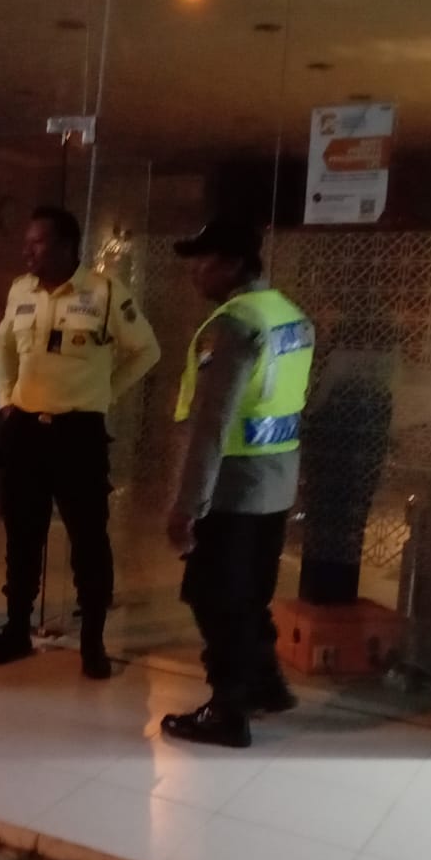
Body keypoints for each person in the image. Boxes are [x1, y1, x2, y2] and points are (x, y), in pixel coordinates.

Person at [0, 205, 161, 678]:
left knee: (88, 539)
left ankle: (92, 642)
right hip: (24, 430)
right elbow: (3, 345)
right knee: (22, 535)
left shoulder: (103, 292)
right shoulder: (20, 290)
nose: (27, 251)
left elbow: (147, 350)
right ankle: (16, 629)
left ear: (65, 247)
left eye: (37, 242)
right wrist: (5, 398)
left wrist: (105, 394)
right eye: (26, 242)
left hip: (78, 434)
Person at [160, 219, 314, 748]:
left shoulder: (234, 324)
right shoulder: (290, 315)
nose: (194, 273)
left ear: (231, 264)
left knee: (213, 596)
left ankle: (228, 709)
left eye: (202, 262)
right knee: (249, 594)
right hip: (276, 482)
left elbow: (213, 423)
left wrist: (188, 505)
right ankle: (266, 685)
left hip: (232, 486)